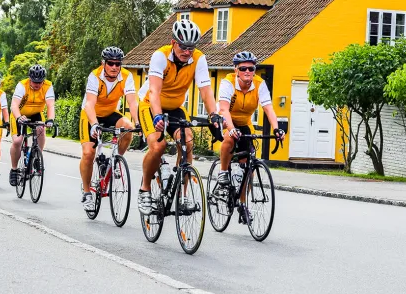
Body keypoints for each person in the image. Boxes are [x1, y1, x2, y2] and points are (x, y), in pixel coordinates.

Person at [137, 19, 223, 215]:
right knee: (158, 146)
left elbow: (206, 90)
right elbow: (154, 91)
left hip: (176, 107)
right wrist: (158, 117)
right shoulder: (160, 56)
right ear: (173, 43)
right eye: (183, 47)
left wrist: (214, 114)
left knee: (188, 143)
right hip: (151, 105)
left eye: (191, 48)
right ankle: (145, 189)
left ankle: (182, 197)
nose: (187, 51)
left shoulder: (199, 59)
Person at [216, 51, 285, 221]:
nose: (247, 71)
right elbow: (224, 109)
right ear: (236, 69)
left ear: (255, 70)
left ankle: (242, 203)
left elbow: (268, 108)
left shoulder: (259, 84)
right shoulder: (228, 82)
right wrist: (231, 128)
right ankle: (223, 172)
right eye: (243, 68)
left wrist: (276, 129)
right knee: (230, 138)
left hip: (245, 123)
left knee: (249, 167)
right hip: (225, 120)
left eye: (251, 68)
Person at [80, 46, 139, 211]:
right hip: (91, 115)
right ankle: (86, 193)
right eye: (110, 63)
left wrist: (139, 122)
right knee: (88, 153)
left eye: (117, 64)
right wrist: (94, 124)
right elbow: (90, 104)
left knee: (128, 127)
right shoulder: (95, 76)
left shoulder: (126, 76)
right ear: (103, 63)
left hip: (111, 112)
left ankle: (115, 161)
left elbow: (132, 102)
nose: (114, 67)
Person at [8, 64, 55, 186]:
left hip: (36, 113)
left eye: (40, 82)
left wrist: (50, 120)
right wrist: (18, 117)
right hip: (19, 114)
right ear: (30, 79)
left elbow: (50, 105)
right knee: (18, 141)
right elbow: (14, 104)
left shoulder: (48, 86)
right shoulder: (22, 85)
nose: (37, 84)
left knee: (41, 128)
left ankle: (37, 156)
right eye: (34, 82)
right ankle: (14, 169)